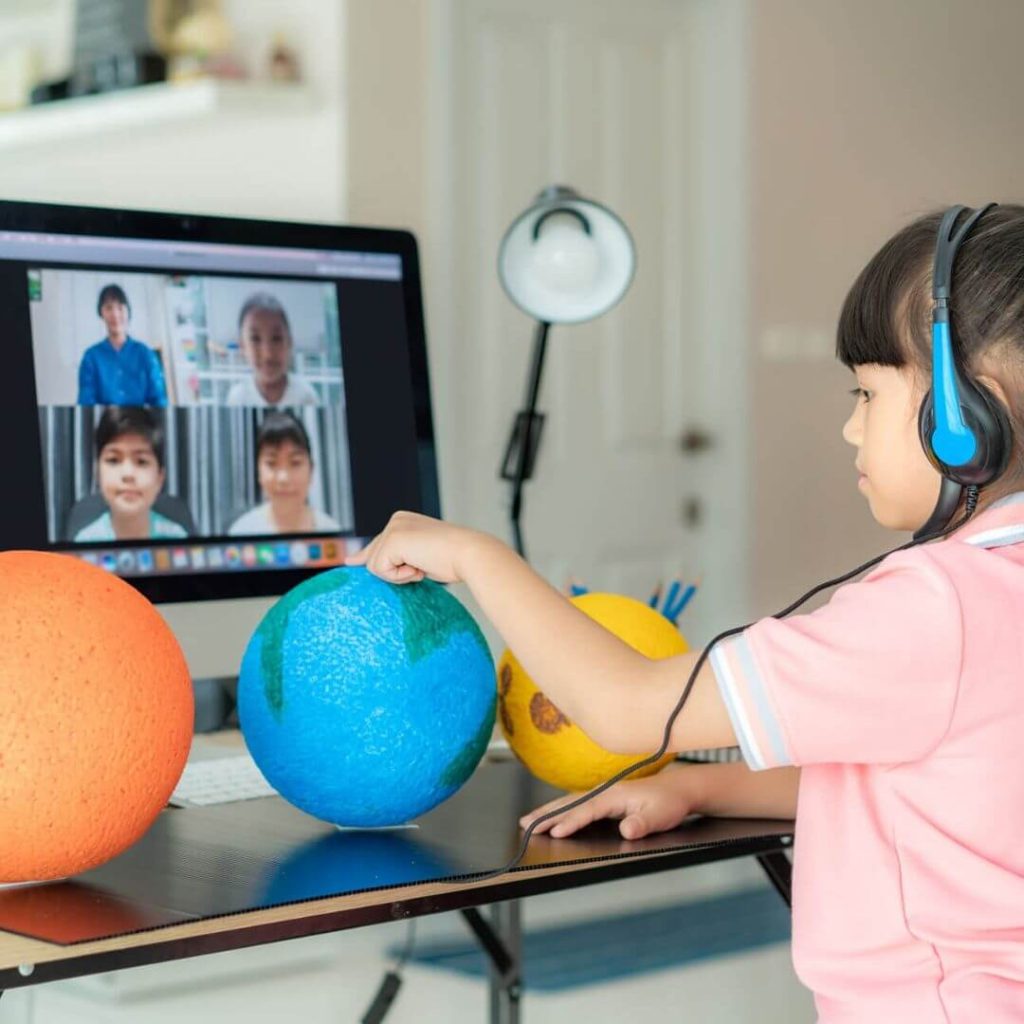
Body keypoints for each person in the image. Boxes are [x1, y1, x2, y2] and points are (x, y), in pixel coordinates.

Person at [346, 205, 1024, 1021]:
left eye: (868, 393)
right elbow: (930, 789)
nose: (849, 427)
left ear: (964, 420)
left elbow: (629, 710)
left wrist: (476, 557)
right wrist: (703, 791)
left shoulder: (932, 608)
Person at [74, 407, 187, 542]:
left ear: (160, 478)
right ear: (98, 473)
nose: (128, 474)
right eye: (113, 460)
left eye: (141, 462)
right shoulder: (84, 541)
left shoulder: (177, 537)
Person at [229, 411, 340, 535]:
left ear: (311, 470)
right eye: (271, 463)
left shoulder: (332, 530)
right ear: (258, 472)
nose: (284, 478)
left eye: (295, 462)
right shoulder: (241, 531)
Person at [77, 284, 168, 406]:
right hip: (105, 423)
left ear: (128, 312)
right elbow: (86, 404)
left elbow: (159, 401)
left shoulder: (146, 354)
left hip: (141, 423)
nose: (115, 314)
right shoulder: (91, 357)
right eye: (109, 308)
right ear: (101, 313)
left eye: (120, 308)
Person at [225, 292, 318, 406]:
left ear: (289, 342)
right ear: (243, 346)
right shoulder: (238, 398)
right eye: (255, 339)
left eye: (277, 338)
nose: (267, 354)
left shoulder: (305, 395)